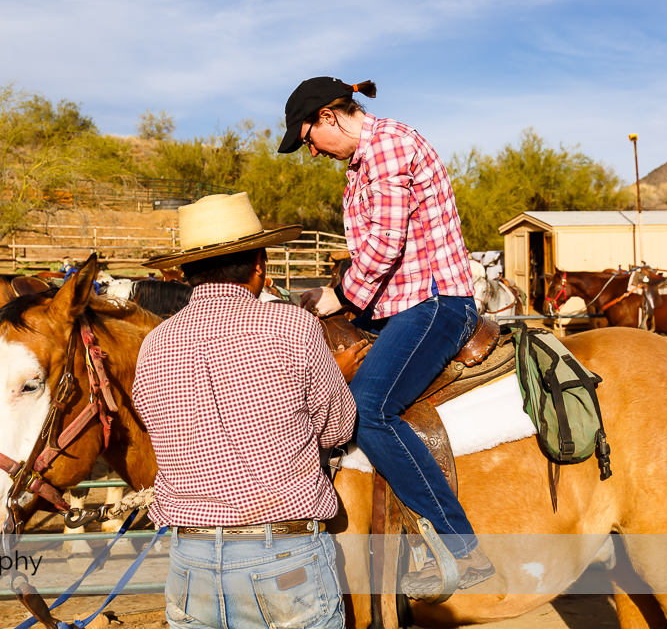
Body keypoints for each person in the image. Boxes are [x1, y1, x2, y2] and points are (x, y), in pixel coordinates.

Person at [277, 76, 496, 598]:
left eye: (308, 139)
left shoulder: (388, 146)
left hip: (436, 302)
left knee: (368, 408)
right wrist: (333, 297)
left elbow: (383, 246)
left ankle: (460, 546)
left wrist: (338, 296)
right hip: (401, 304)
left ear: (328, 116)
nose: (312, 152)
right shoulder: (364, 160)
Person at [132, 192, 356, 629]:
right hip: (281, 556)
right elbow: (337, 428)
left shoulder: (154, 344)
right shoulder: (294, 327)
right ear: (259, 264)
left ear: (186, 272)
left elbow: (155, 428)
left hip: (189, 562)